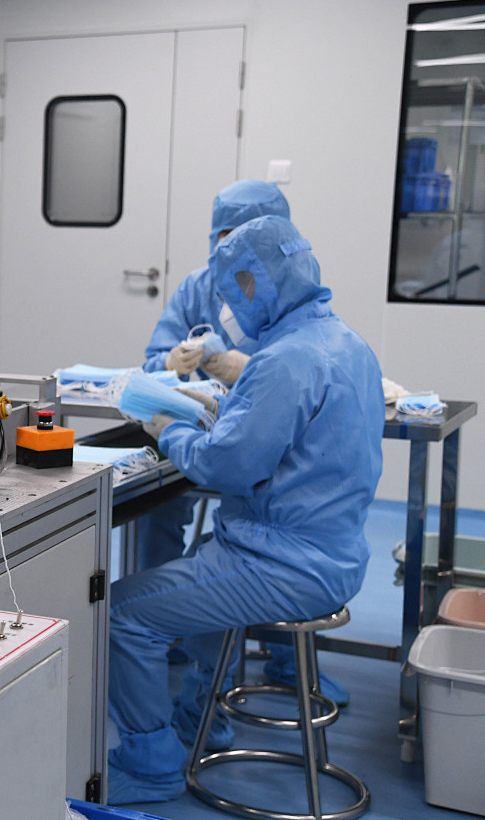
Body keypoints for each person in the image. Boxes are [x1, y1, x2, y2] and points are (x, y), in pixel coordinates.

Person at [106, 215, 384, 804]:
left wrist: (167, 427)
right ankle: (201, 718)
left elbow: (226, 467)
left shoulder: (285, 361)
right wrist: (224, 412)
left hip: (280, 565)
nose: (231, 308)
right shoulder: (347, 344)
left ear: (254, 283)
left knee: (122, 614)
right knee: (200, 578)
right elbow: (288, 441)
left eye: (234, 292)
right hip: (335, 555)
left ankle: (150, 763)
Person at [137, 179, 350, 711]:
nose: (232, 251)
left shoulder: (290, 345)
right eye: (224, 236)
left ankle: (245, 677)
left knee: (137, 606)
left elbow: (229, 463)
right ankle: (184, 651)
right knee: (162, 512)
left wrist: (176, 428)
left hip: (270, 524)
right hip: (313, 543)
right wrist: (173, 364)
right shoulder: (336, 339)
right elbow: (154, 360)